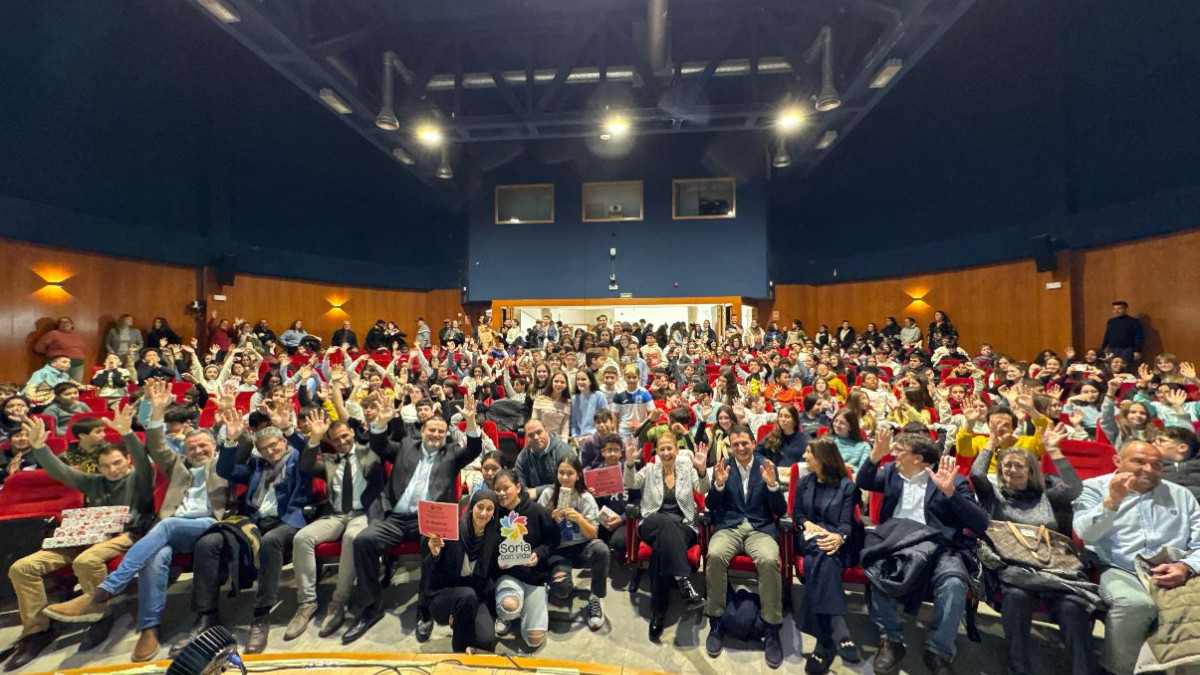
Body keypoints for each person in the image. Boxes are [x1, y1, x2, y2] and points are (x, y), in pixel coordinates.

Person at [42, 381, 234, 662]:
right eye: (192, 447)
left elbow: (237, 449)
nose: (198, 450)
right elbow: (156, 445)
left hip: (208, 523)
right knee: (155, 557)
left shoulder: (222, 465)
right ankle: (149, 628)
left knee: (164, 526)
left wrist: (228, 419)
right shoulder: (177, 466)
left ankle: (104, 591)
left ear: (214, 446)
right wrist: (155, 413)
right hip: (173, 528)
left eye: (203, 445)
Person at [5, 412, 155, 670]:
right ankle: (37, 630)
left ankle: (100, 614)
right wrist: (39, 447)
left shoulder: (137, 478)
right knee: (21, 568)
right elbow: (61, 472)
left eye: (117, 463)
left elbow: (143, 462)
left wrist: (128, 434)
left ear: (127, 461)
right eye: (106, 466)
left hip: (123, 535)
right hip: (82, 536)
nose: (112, 469)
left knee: (87, 561)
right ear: (98, 467)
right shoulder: (94, 482)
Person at [342, 391, 482, 645]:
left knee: (434, 549)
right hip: (396, 516)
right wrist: (381, 423)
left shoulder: (451, 453)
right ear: (423, 430)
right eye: (432, 430)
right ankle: (370, 609)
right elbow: (380, 446)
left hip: (429, 520)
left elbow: (473, 449)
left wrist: (470, 422)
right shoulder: (407, 445)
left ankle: (424, 609)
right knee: (363, 541)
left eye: (441, 431)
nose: (437, 435)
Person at [856, 428, 990, 675]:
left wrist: (950, 493)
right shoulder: (892, 475)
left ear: (918, 458)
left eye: (900, 451)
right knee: (879, 570)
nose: (894, 454)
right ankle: (891, 640)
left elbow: (980, 523)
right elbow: (863, 481)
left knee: (953, 584)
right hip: (897, 542)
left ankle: (938, 649)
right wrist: (875, 455)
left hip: (941, 547)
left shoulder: (954, 481)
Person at [970, 425, 1095, 675]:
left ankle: (1084, 670)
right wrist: (991, 442)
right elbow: (977, 476)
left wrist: (1054, 450)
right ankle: (1019, 667)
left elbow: (1075, 488)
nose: (1012, 469)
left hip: (1055, 570)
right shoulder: (994, 497)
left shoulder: (1046, 498)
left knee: (1071, 607)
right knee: (1016, 598)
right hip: (1016, 571)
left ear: (1030, 470)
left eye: (1019, 465)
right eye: (1007, 465)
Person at [182, 419, 312, 654]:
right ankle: (207, 614)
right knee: (208, 543)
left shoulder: (298, 460)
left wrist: (291, 429)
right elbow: (225, 470)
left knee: (270, 541)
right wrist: (230, 441)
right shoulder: (258, 465)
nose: (270, 451)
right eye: (264, 448)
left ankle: (261, 617)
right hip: (252, 520)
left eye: (274, 445)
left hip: (287, 520)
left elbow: (308, 449)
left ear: (284, 442)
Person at [1073, 440, 1200, 675]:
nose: (1149, 469)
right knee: (1135, 604)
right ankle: (1117, 670)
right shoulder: (1093, 487)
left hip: (1174, 567)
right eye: (1139, 462)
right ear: (1118, 462)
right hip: (1120, 566)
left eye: (1157, 464)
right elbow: (1084, 533)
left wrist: (1186, 566)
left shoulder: (1182, 495)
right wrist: (1112, 502)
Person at [287, 410, 385, 640]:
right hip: (336, 514)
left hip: (363, 514)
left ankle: (338, 602)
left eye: (345, 436)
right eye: (336, 439)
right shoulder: (330, 461)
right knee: (302, 538)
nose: (342, 441)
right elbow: (307, 467)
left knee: (352, 538)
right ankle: (307, 603)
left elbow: (384, 445)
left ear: (352, 432)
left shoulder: (369, 452)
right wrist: (314, 438)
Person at [704, 424, 787, 669]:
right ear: (730, 445)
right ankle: (716, 621)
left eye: (744, 443)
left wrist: (772, 486)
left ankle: (772, 629)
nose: (740, 448)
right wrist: (718, 485)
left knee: (770, 561)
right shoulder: (723, 466)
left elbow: (780, 511)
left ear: (753, 442)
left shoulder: (766, 465)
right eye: (735, 444)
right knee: (715, 555)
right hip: (729, 527)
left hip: (759, 529)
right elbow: (710, 505)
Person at [624, 431, 709, 639]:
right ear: (657, 452)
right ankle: (683, 581)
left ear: (676, 450)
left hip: (683, 525)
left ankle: (658, 612)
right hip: (652, 522)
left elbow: (703, 488)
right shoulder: (650, 469)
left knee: (661, 550)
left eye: (669, 448)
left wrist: (702, 470)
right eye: (661, 449)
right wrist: (628, 464)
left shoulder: (687, 468)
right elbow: (631, 483)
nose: (666, 452)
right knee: (663, 522)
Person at [792, 437, 863, 674]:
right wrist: (808, 523)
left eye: (809, 453)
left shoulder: (847, 487)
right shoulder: (805, 482)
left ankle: (824, 644)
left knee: (818, 563)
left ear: (822, 457)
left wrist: (839, 537)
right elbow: (798, 514)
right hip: (809, 536)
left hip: (834, 542)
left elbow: (846, 524)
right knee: (821, 553)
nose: (804, 457)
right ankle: (839, 626)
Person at [537, 457, 610, 630]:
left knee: (601, 550)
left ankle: (595, 596)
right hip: (558, 550)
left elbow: (593, 534)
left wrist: (580, 519)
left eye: (570, 473)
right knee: (561, 592)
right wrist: (551, 520)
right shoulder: (548, 494)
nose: (565, 477)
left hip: (581, 548)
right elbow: (538, 532)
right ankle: (554, 582)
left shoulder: (585, 498)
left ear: (578, 475)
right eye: (561, 472)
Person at [491, 468, 560, 650]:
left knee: (534, 640)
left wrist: (539, 554)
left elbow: (553, 540)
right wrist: (496, 560)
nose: (501, 493)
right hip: (508, 575)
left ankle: (532, 604)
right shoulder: (493, 513)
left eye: (506, 488)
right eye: (497, 489)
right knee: (509, 607)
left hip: (535, 576)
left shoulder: (537, 511)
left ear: (518, 486)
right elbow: (487, 546)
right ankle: (510, 613)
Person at [426, 489, 501, 654]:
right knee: (466, 596)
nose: (484, 513)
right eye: (480, 507)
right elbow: (431, 571)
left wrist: (502, 564)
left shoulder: (493, 539)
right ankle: (459, 652)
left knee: (486, 642)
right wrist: (435, 553)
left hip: (475, 595)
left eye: (489, 509)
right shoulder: (453, 532)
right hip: (445, 594)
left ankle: (459, 621)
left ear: (494, 513)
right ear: (471, 507)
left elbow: (491, 575)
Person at [513, 419, 576, 499]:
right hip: (533, 504)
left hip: (561, 499)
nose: (536, 437)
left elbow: (568, 483)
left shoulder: (564, 452)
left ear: (546, 431)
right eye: (531, 435)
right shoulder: (522, 457)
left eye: (539, 432)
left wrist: (537, 491)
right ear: (526, 437)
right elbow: (519, 487)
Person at [33, 317, 88, 382]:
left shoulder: (77, 335)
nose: (65, 324)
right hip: (60, 364)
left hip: (78, 364)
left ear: (72, 324)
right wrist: (53, 354)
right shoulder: (53, 334)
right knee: (60, 385)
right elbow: (38, 348)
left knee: (76, 385)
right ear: (58, 325)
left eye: (67, 322)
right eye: (62, 322)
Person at [754, 404, 807, 471]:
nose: (783, 419)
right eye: (780, 416)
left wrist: (794, 470)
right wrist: (765, 462)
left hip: (794, 476)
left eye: (787, 416)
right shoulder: (772, 436)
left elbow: (806, 461)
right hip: (773, 475)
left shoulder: (804, 439)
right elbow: (757, 452)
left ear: (794, 419)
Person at [531, 371, 571, 439]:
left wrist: (564, 445)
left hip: (557, 441)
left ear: (566, 385)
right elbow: (535, 423)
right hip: (541, 438)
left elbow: (565, 429)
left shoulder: (568, 403)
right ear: (551, 383)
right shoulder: (540, 399)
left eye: (562, 382)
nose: (559, 384)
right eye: (556, 381)